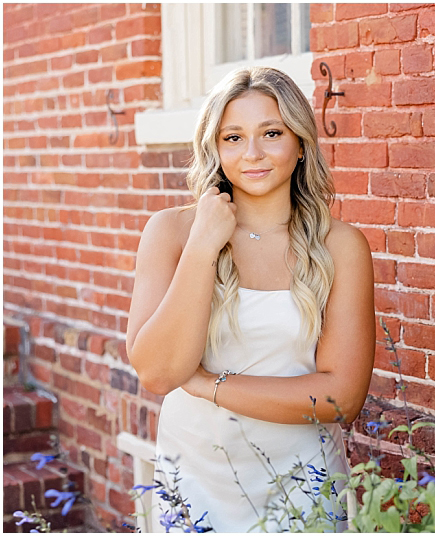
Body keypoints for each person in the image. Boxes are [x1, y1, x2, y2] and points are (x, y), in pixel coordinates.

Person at [125, 66, 375, 532]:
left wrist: (207, 385)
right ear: (214, 148)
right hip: (195, 480)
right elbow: (157, 372)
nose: (252, 154)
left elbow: (341, 397)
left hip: (303, 482)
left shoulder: (340, 246)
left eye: (272, 133)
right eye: (233, 137)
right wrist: (203, 246)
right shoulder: (172, 232)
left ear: (300, 143)